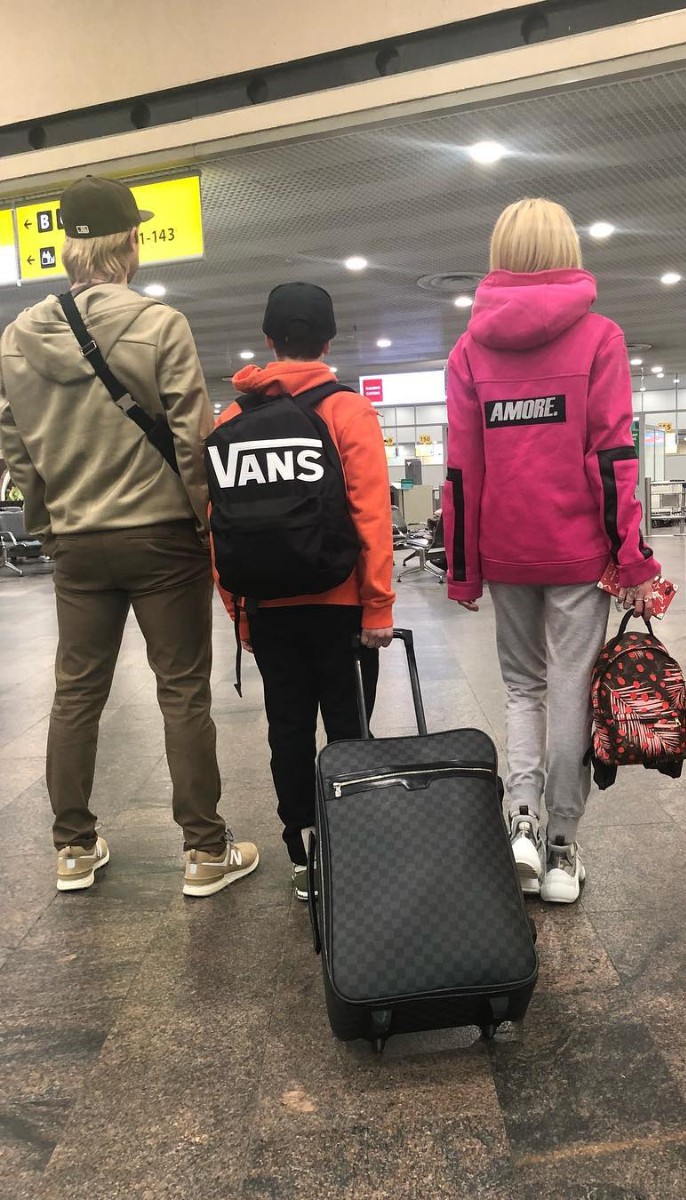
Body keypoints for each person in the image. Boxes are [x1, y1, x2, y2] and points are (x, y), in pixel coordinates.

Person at [0, 174, 258, 896]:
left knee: (76, 692)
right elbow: (191, 440)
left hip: (78, 541)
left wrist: (49, 524)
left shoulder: (16, 337)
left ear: (66, 247)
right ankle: (204, 851)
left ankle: (73, 848)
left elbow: (15, 447)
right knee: (182, 692)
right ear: (131, 242)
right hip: (161, 537)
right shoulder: (159, 323)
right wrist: (205, 524)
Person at [443, 197, 660, 904]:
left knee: (522, 687)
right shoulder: (599, 338)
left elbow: (461, 470)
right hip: (578, 553)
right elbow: (614, 458)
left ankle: (522, 822)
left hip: (505, 550)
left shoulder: (468, 351)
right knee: (571, 686)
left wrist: (462, 569)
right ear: (568, 250)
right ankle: (563, 847)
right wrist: (633, 559)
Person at [215, 282, 395, 900]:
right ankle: (355, 844)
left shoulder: (233, 419)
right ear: (329, 341)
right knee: (348, 728)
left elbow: (220, 528)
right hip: (340, 603)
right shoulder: (348, 410)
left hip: (267, 606)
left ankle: (302, 850)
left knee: (286, 729)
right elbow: (370, 513)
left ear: (269, 341)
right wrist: (377, 604)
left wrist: (239, 611)